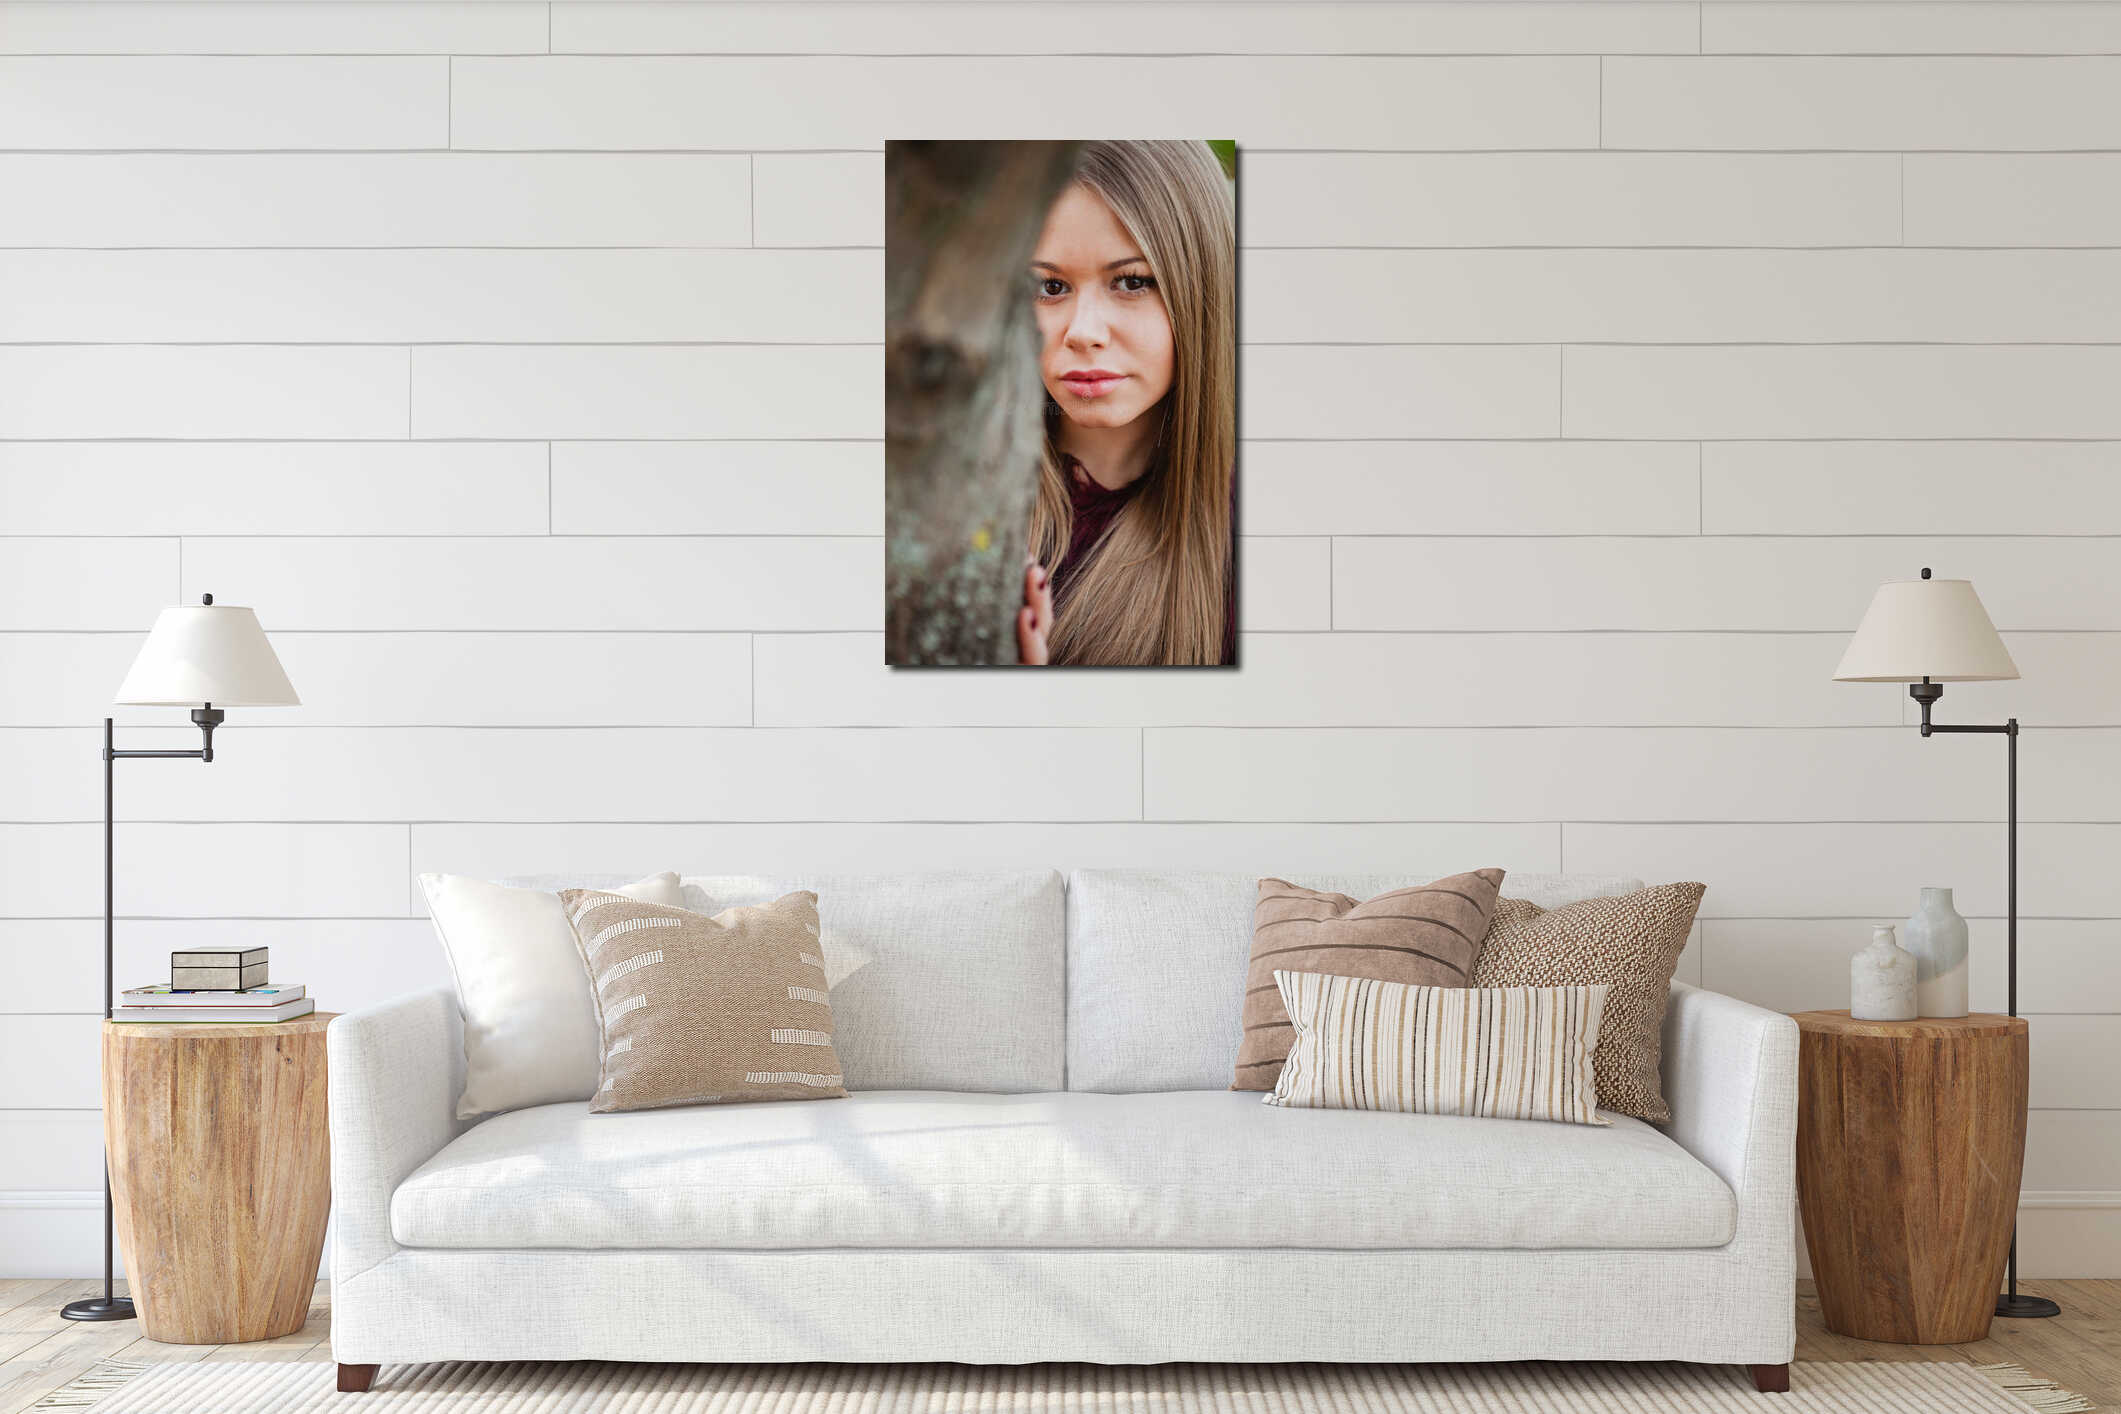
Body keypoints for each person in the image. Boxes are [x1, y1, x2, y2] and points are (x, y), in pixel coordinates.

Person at [1016, 140, 1236, 667]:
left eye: (1132, 282)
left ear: (1202, 287)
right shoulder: (946, 501)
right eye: (1050, 286)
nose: (1083, 332)